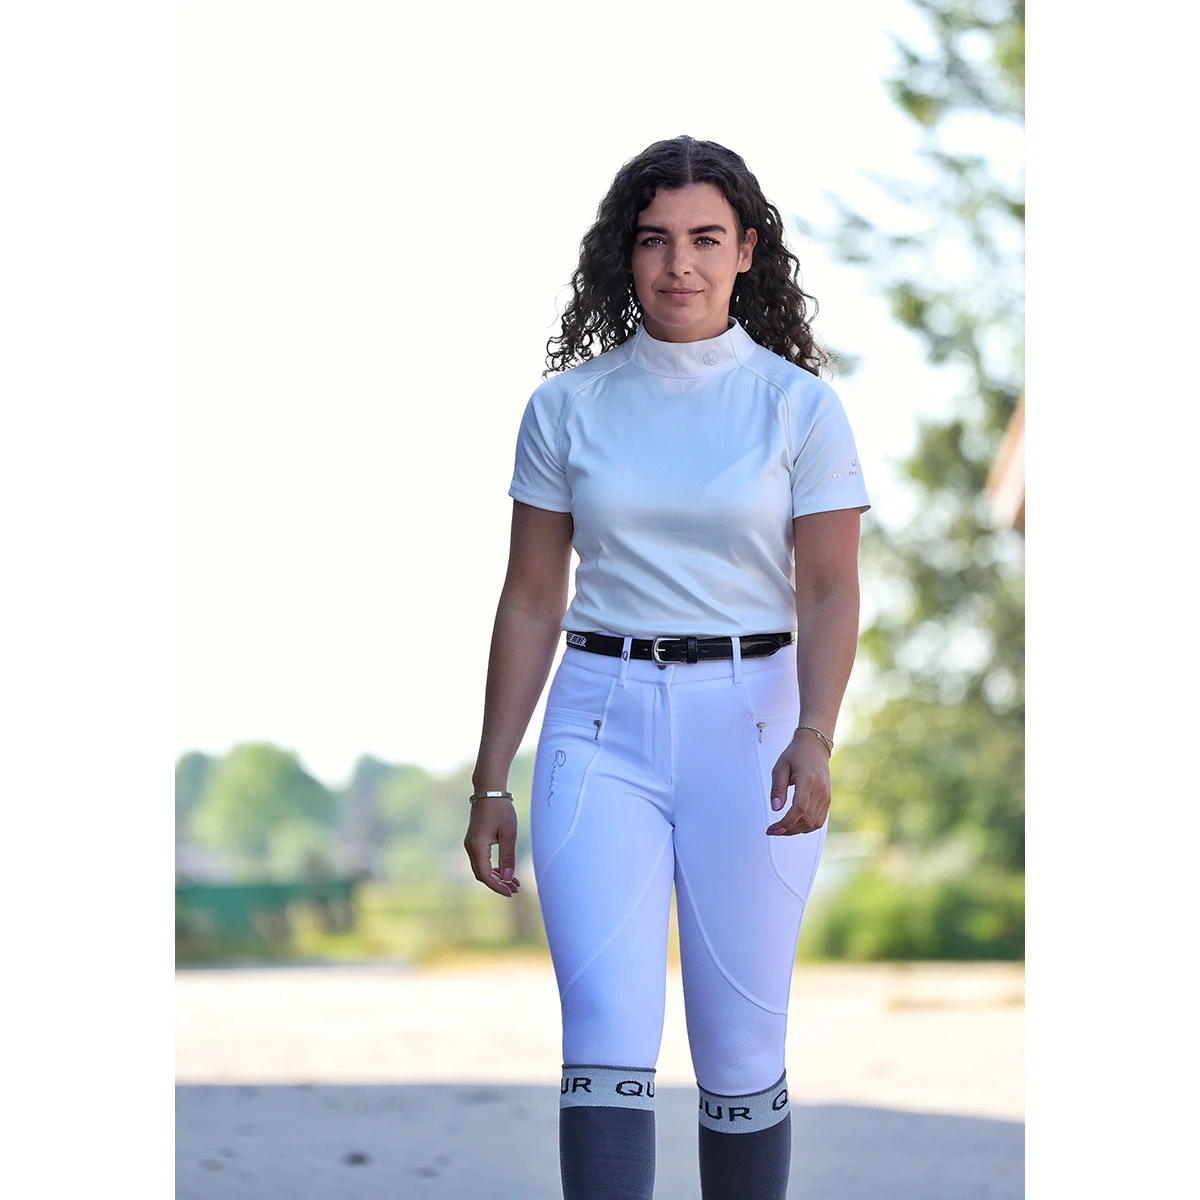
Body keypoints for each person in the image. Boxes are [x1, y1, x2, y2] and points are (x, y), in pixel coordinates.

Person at [464, 135, 870, 1200]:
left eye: (704, 238)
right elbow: (531, 598)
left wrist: (816, 733)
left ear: (747, 251)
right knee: (604, 1032)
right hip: (598, 726)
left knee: (740, 1047)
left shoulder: (799, 406)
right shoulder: (567, 407)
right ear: (625, 253)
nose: (678, 264)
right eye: (654, 240)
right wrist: (490, 779)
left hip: (754, 730)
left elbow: (831, 592)